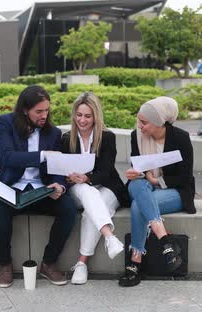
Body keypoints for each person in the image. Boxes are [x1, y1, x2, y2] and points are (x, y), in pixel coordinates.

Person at [0, 85, 77, 288]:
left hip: (41, 189)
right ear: (25, 110)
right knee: (0, 207)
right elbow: (8, 157)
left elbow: (57, 167)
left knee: (69, 210)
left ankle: (49, 262)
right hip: (13, 187)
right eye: (39, 111)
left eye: (47, 110)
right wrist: (43, 155)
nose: (44, 115)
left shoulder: (53, 133)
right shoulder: (6, 123)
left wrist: (59, 186)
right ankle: (4, 264)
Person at [118, 97, 196, 287]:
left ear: (159, 122)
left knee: (138, 205)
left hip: (174, 191)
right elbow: (137, 167)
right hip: (144, 187)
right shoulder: (136, 135)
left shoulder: (181, 138)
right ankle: (164, 238)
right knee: (136, 185)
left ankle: (135, 261)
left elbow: (185, 177)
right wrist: (133, 172)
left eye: (144, 122)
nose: (140, 126)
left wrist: (157, 180)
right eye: (139, 121)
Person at [61, 92, 129, 285]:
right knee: (87, 191)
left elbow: (106, 170)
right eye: (79, 115)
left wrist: (87, 177)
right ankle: (110, 236)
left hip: (107, 185)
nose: (82, 120)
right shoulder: (66, 139)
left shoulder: (107, 137)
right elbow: (60, 168)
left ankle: (82, 264)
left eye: (88, 116)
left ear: (96, 116)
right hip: (77, 188)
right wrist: (70, 177)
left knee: (91, 211)